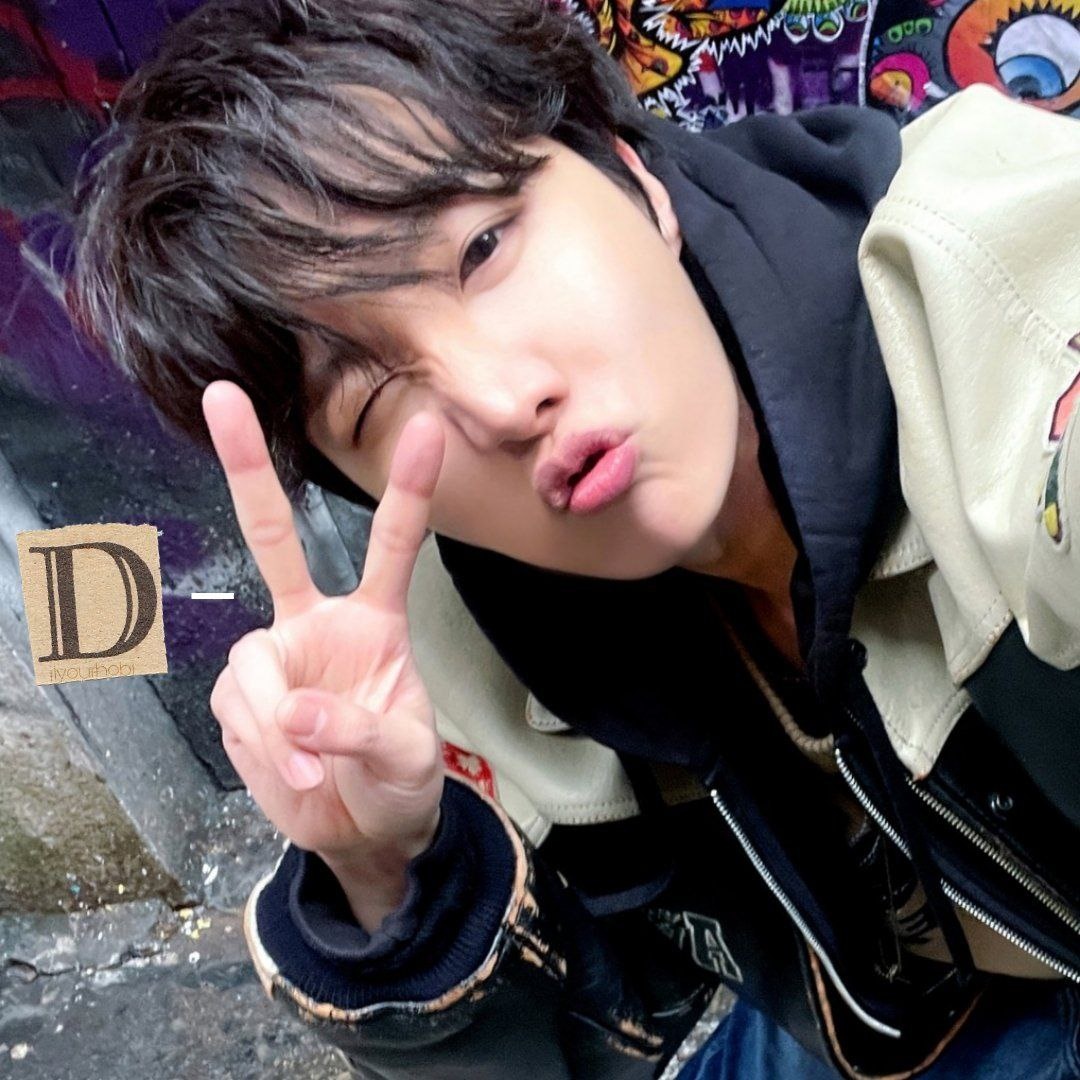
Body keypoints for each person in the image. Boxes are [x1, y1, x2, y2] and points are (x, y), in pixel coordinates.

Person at [67, 1, 1080, 1076]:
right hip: (906, 1009)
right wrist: (391, 876)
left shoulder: (1001, 280)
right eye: (374, 402)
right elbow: (582, 1042)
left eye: (482, 249)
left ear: (634, 179)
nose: (502, 400)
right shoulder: (450, 649)